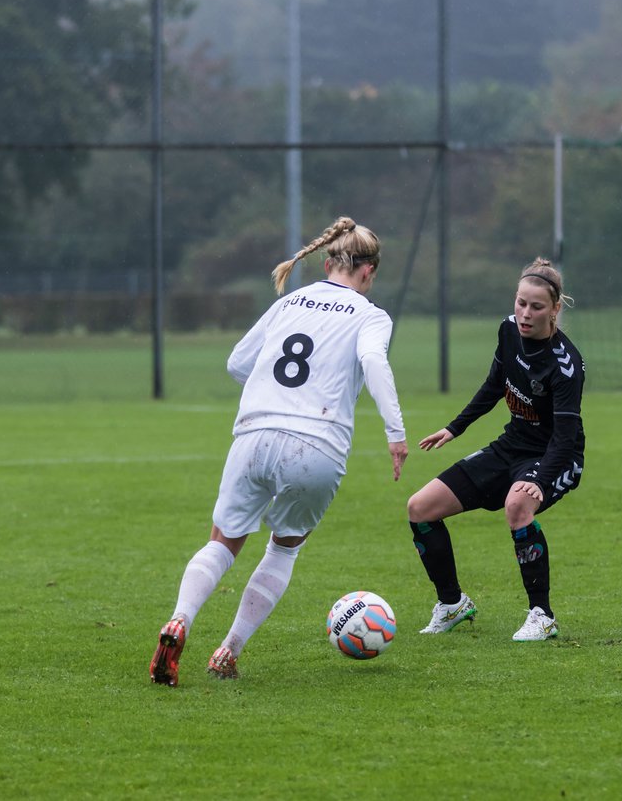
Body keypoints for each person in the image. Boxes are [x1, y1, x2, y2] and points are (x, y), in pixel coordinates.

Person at [150, 217, 408, 686]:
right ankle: (228, 651)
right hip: (317, 446)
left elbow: (236, 364)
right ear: (369, 272)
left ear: (327, 262)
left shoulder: (289, 300)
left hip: (254, 434)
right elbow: (373, 362)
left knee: (221, 543)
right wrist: (396, 433)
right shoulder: (371, 315)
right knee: (284, 549)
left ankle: (180, 620)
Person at [407, 257, 585, 642]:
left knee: (517, 505)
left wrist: (543, 478)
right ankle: (452, 604)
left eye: (536, 307)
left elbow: (566, 437)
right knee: (420, 508)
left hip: (556, 456)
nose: (525, 313)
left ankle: (543, 616)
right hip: (512, 446)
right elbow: (493, 385)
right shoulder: (507, 330)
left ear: (555, 309)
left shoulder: (566, 365)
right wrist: (454, 428)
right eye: (521, 302)